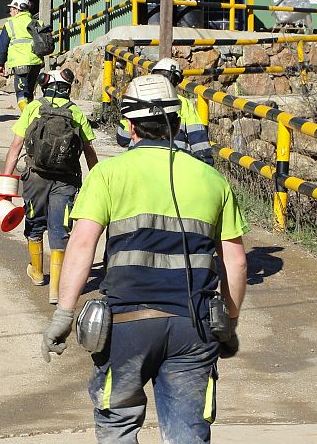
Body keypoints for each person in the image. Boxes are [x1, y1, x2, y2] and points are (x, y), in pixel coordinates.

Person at [41, 73, 248, 443]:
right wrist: (229, 322)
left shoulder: (108, 174)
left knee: (118, 425)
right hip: (194, 327)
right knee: (188, 432)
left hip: (126, 326)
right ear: (178, 124)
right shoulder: (212, 180)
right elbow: (236, 261)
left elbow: (82, 245)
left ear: (130, 125)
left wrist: (64, 314)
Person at [3, 68, 99, 304]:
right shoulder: (75, 112)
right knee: (60, 230)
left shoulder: (34, 109)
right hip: (66, 179)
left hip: (36, 177)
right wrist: (97, 183)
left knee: (35, 224)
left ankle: (37, 273)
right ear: (68, 89)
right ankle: (55, 289)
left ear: (44, 87)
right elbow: (89, 152)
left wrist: (6, 185)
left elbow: (16, 146)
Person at [116, 58, 214, 165]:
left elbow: (122, 139)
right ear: (176, 82)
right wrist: (206, 167)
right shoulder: (184, 104)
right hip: (176, 166)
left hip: (139, 164)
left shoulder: (139, 101)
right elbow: (199, 142)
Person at [0, 0, 44, 111]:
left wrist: (1, 63)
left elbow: (2, 45)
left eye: (12, 9)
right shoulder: (37, 22)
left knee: (21, 93)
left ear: (18, 9)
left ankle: (27, 117)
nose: (10, 12)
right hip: (36, 62)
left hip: (20, 62)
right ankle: (31, 115)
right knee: (30, 92)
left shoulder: (10, 24)